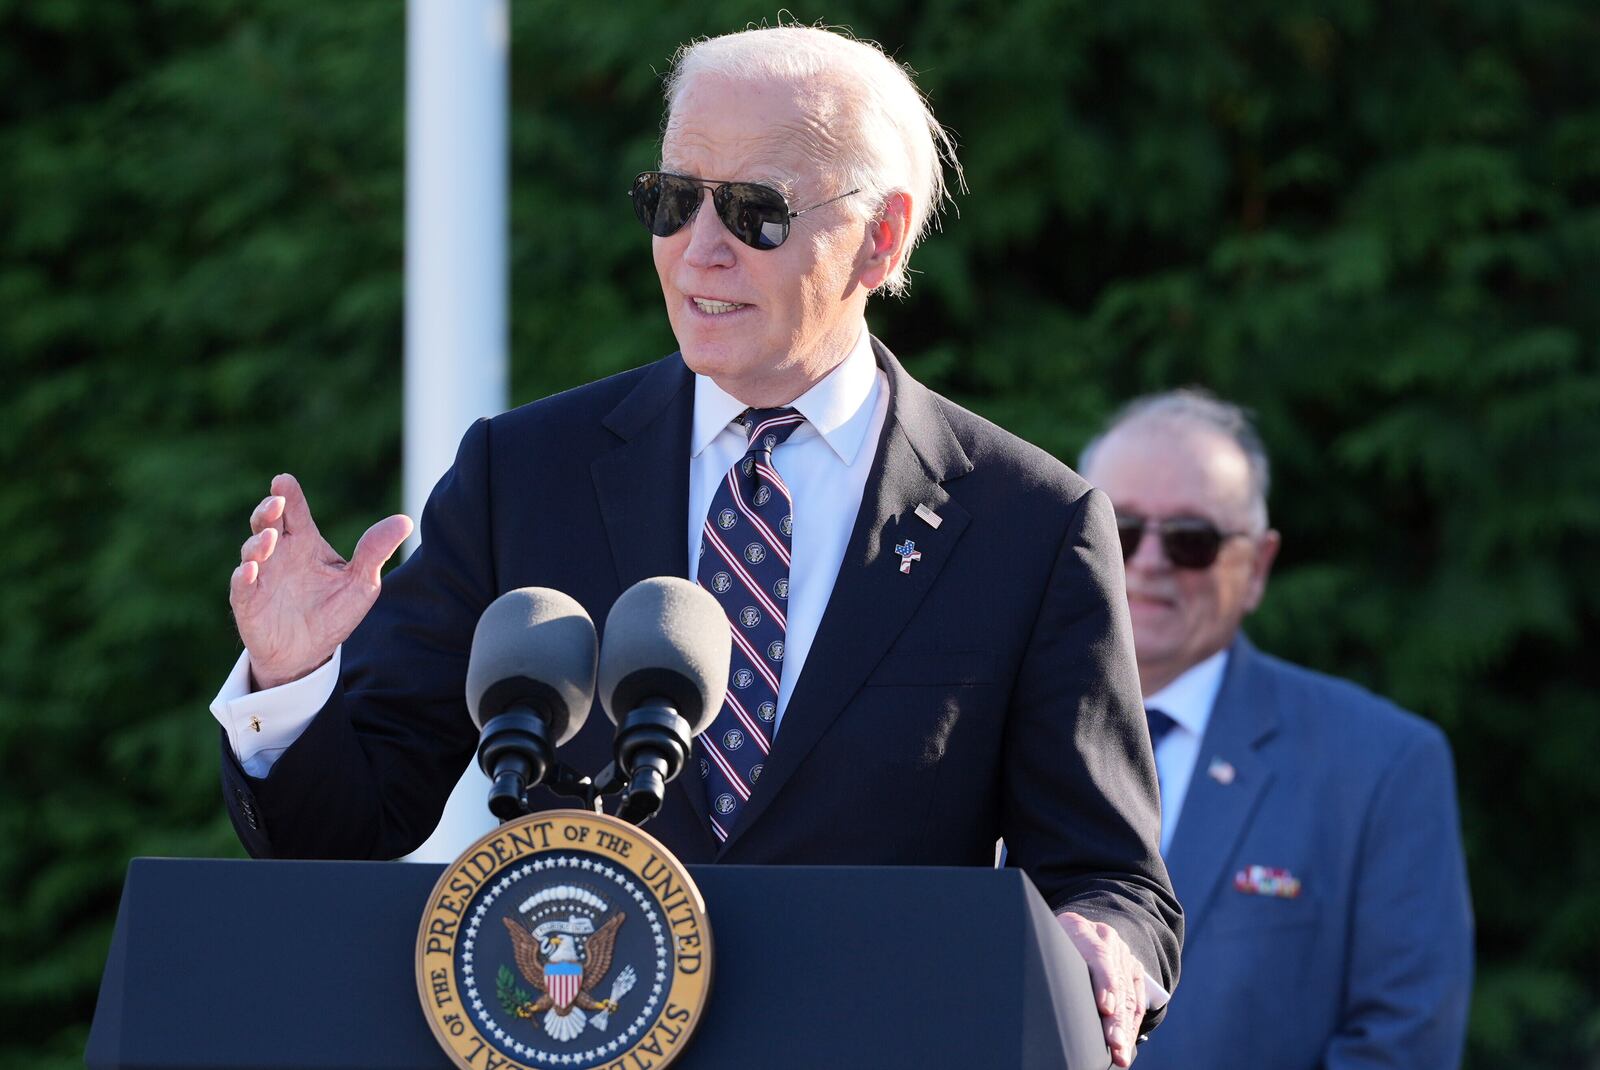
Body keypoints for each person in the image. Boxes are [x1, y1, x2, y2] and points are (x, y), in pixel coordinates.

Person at [213, 26, 1180, 1062]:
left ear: (881, 238)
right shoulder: (522, 470)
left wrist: (1102, 943)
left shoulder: (1025, 519)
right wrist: (294, 673)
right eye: (674, 200)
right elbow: (345, 825)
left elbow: (1108, 875)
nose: (699, 247)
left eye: (755, 211)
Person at [1079, 389, 1473, 1069]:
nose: (1147, 562)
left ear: (1256, 567)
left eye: (1192, 541)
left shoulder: (1379, 765)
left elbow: (1401, 1045)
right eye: (1121, 528)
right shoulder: (976, 727)